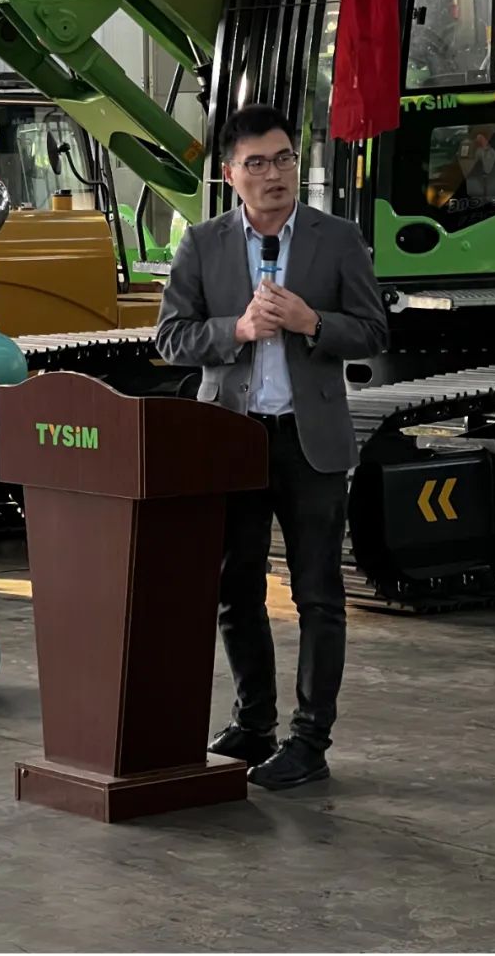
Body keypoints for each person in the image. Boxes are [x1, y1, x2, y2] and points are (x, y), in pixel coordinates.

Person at [155, 104, 389, 790]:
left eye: (284, 158)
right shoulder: (202, 244)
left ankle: (309, 741)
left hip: (309, 443)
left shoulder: (336, 238)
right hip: (233, 440)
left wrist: (312, 322)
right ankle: (253, 722)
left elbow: (373, 331)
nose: (274, 174)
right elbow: (171, 337)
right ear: (230, 175)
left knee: (318, 594)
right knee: (235, 590)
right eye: (256, 163)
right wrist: (237, 330)